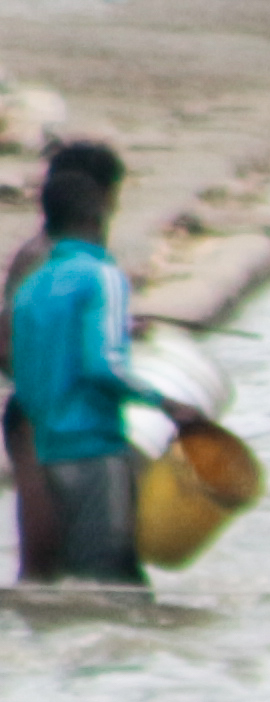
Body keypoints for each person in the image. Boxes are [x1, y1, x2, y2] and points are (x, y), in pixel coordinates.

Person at [10, 148, 199, 588]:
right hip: (93, 448)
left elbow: (27, 368)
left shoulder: (33, 282)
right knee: (115, 583)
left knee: (58, 580)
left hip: (48, 449)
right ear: (99, 212)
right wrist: (168, 403)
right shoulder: (102, 274)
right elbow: (103, 368)